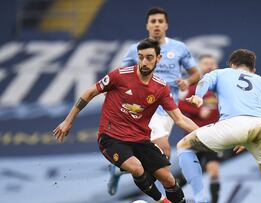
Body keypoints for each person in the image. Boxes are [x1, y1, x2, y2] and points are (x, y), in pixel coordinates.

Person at [53, 38, 200, 203]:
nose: (144, 62)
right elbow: (89, 93)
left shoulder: (161, 88)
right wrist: (68, 121)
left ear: (158, 58)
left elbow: (179, 119)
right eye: (141, 57)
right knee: (137, 168)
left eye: (149, 57)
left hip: (140, 140)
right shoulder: (120, 75)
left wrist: (205, 135)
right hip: (111, 138)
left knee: (169, 179)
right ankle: (162, 201)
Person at [177, 49, 261, 203]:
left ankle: (200, 199)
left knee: (184, 145)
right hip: (260, 126)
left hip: (234, 123)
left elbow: (204, 81)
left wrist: (198, 97)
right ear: (253, 69)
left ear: (232, 65)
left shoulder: (222, 73)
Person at [108, 7, 200, 196]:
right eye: (153, 21)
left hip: (168, 108)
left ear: (166, 25)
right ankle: (160, 194)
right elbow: (121, 77)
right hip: (144, 107)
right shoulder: (135, 50)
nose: (157, 24)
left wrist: (187, 82)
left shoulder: (179, 48)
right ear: (147, 25)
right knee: (163, 149)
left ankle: (120, 169)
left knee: (162, 155)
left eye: (160, 21)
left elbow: (196, 74)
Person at [178, 54, 221, 203]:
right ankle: (173, 196)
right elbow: (179, 105)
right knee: (189, 175)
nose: (209, 66)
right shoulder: (193, 86)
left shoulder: (221, 86)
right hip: (194, 137)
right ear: (200, 66)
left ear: (216, 65)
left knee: (213, 170)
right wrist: (198, 110)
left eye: (211, 63)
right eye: (205, 63)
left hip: (213, 137)